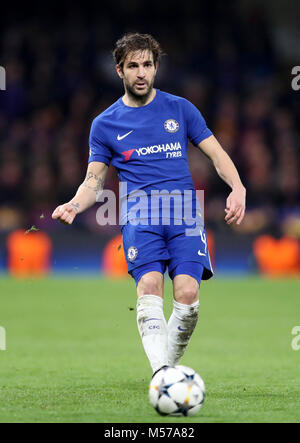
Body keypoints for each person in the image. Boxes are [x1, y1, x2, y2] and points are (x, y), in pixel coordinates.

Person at [52, 33, 246, 376]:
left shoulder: (180, 109)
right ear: (119, 71)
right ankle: (163, 376)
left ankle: (166, 370)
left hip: (185, 213)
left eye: (147, 65)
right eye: (133, 66)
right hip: (140, 216)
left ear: (156, 68)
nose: (141, 72)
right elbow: (94, 181)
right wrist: (74, 204)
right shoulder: (105, 124)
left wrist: (238, 187)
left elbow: (217, 154)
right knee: (150, 286)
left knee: (187, 295)